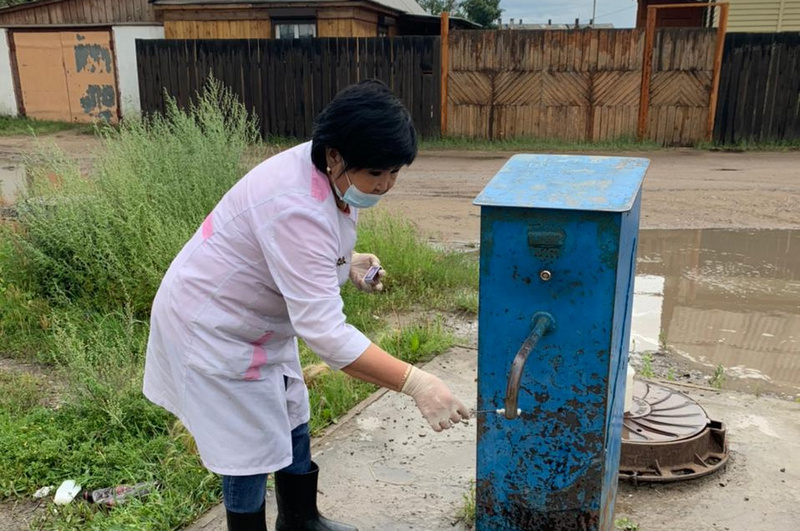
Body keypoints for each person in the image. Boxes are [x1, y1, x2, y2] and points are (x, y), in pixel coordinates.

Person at [143, 80, 470, 531]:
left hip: (257, 320)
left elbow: (302, 250)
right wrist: (416, 383)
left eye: (395, 172)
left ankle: (300, 519)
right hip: (214, 328)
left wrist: (347, 261)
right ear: (335, 155)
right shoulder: (293, 204)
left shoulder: (321, 166)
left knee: (292, 410)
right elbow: (328, 336)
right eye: (377, 173)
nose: (387, 185)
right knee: (247, 447)